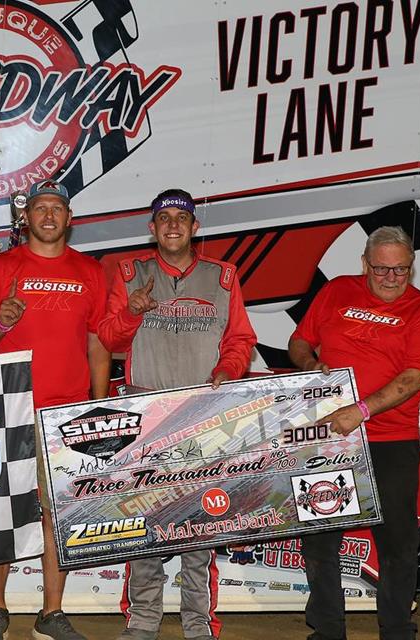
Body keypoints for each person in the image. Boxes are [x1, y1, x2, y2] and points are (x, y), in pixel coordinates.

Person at [98, 188, 257, 640]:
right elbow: (108, 337)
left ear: (194, 228)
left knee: (201, 523)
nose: (172, 225)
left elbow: (240, 338)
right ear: (152, 228)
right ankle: (143, 621)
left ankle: (198, 625)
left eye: (181, 218)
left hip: (203, 413)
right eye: (163, 218)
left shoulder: (223, 277)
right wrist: (131, 311)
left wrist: (228, 368)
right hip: (145, 411)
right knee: (144, 519)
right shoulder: (130, 274)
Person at [0, 180, 111, 640]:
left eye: (57, 208)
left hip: (67, 416)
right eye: (39, 208)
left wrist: (98, 404)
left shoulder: (91, 271)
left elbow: (98, 341)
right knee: (0, 512)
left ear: (69, 219)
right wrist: (1, 323)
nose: (48, 215)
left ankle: (51, 613)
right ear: (24, 218)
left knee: (59, 516)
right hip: (6, 409)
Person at [287, 226, 420, 640]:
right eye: (381, 270)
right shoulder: (337, 291)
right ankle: (327, 630)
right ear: (364, 264)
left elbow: (413, 378)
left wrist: (360, 410)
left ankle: (396, 630)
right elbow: (299, 340)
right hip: (329, 439)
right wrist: (308, 364)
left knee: (397, 544)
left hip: (391, 440)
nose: (391, 278)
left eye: (401, 270)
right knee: (319, 538)